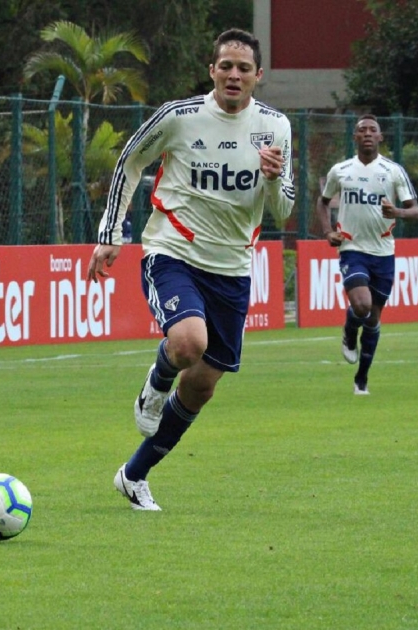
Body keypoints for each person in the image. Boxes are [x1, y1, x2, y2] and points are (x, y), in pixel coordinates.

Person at [86, 28, 295, 511]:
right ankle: (156, 383)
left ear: (258, 76)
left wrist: (271, 178)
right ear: (212, 71)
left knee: (201, 386)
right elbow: (129, 161)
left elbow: (282, 211)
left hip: (233, 267)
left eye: (244, 68)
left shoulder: (276, 127)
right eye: (226, 66)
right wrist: (110, 234)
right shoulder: (179, 118)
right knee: (187, 343)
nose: (234, 75)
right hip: (173, 251)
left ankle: (134, 475)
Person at [316, 114, 418, 395]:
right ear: (354, 137)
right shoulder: (341, 170)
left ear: (380, 137)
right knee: (361, 306)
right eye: (361, 130)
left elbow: (415, 210)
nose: (367, 134)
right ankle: (350, 332)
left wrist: (396, 211)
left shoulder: (393, 170)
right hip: (352, 248)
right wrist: (328, 232)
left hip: (383, 252)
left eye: (372, 130)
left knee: (373, 318)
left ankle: (362, 377)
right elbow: (323, 202)